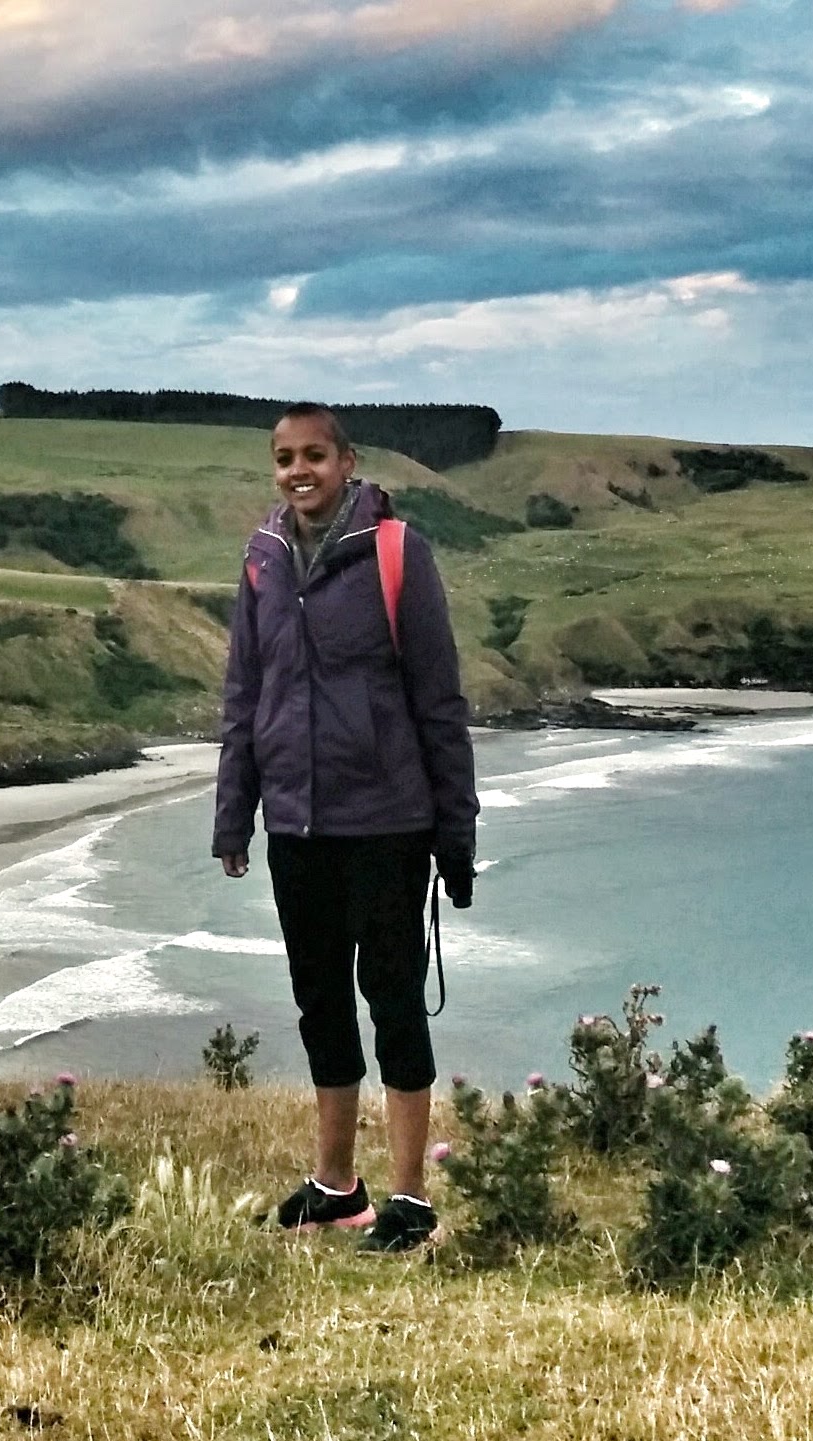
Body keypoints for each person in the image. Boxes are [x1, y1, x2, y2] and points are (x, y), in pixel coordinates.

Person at [213, 401, 478, 1253]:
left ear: (346, 461)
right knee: (319, 1001)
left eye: (314, 455)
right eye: (284, 457)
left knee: (393, 1000)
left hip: (387, 821)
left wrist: (456, 833)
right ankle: (337, 1187)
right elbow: (245, 694)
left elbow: (439, 701)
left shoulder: (396, 551)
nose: (299, 470)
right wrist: (234, 814)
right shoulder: (261, 557)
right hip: (296, 822)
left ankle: (411, 1199)